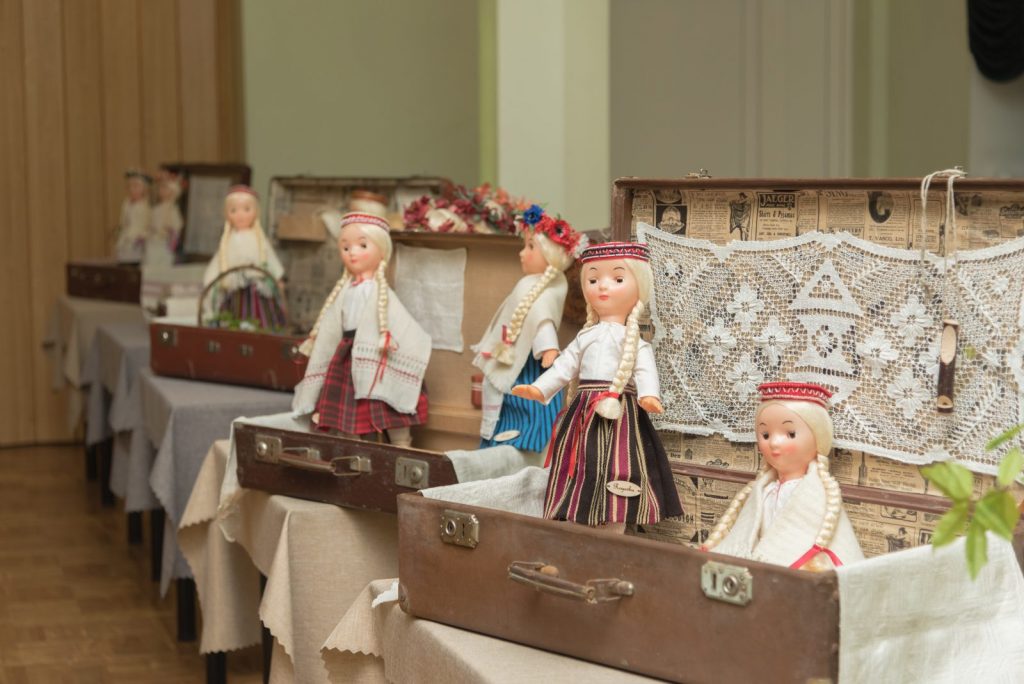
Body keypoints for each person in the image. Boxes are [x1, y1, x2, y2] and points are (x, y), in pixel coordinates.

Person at [513, 242, 683, 531]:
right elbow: (564, 367)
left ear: (639, 287)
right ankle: (579, 515)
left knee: (618, 465)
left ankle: (614, 525)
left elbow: (645, 371)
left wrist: (649, 396)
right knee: (582, 463)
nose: (603, 286)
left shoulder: (635, 343)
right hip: (584, 413)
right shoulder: (585, 337)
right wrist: (540, 389)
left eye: (617, 279)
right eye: (593, 280)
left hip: (621, 415)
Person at [292, 212, 430, 447]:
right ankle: (352, 445)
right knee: (347, 407)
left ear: (382, 251)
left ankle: (401, 445)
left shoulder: (379, 291)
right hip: (346, 355)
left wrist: (392, 341)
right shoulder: (346, 290)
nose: (352, 252)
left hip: (373, 352)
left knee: (386, 402)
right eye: (346, 247)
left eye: (362, 245)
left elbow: (402, 324)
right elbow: (332, 325)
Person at [701, 381, 865, 570]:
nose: (774, 443)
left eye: (790, 433)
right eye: (765, 435)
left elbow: (835, 546)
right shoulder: (763, 490)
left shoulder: (816, 496)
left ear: (819, 439)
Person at [474, 206, 583, 453]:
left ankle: (527, 444)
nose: (522, 253)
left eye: (530, 247)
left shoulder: (549, 289)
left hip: (531, 363)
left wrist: (549, 349)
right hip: (516, 358)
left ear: (550, 255)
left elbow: (542, 321)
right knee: (510, 403)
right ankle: (502, 442)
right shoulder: (529, 284)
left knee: (530, 404)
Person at [202, 185, 286, 330]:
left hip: (256, 290)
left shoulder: (259, 239)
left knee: (262, 318)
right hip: (234, 290)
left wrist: (277, 278)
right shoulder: (227, 241)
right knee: (232, 317)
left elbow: (269, 258)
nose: (240, 215)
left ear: (255, 212)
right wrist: (211, 279)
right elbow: (218, 262)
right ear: (227, 214)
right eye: (234, 210)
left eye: (246, 209)